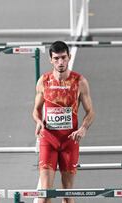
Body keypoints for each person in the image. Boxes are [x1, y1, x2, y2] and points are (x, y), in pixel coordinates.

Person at [32, 41, 95, 203]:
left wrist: (83, 128)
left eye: (63, 58)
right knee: (45, 195)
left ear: (69, 57)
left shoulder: (79, 82)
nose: (61, 62)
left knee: (67, 195)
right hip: (49, 140)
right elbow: (36, 109)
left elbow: (90, 112)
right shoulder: (44, 81)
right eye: (57, 58)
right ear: (50, 60)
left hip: (69, 141)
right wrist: (38, 121)